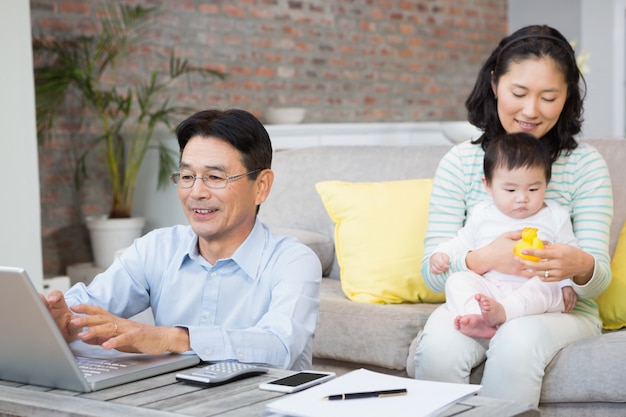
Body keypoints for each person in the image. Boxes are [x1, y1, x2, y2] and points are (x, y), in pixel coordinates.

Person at [414, 24, 613, 408]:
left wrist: (579, 266)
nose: (530, 111)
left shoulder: (586, 165)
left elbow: (595, 283)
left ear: (567, 96)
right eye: (518, 93)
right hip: (481, 298)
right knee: (440, 347)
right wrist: (483, 258)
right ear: (494, 84)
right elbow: (431, 271)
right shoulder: (460, 162)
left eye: (549, 96)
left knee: (517, 342)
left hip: (556, 307)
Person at [42, 109, 322, 371]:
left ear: (261, 187)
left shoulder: (293, 261)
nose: (196, 192)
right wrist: (63, 319)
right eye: (187, 176)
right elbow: (88, 303)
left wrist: (173, 338)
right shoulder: (156, 249)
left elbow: (280, 346)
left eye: (214, 177)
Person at [431, 132, 577, 340]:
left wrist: (566, 284)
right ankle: (477, 316)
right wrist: (441, 254)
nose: (522, 198)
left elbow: (570, 252)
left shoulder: (555, 215)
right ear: (488, 185)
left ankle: (504, 313)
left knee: (548, 285)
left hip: (533, 288)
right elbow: (462, 241)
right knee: (457, 280)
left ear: (546, 183)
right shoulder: (483, 213)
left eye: (534, 188)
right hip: (491, 288)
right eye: (510, 190)